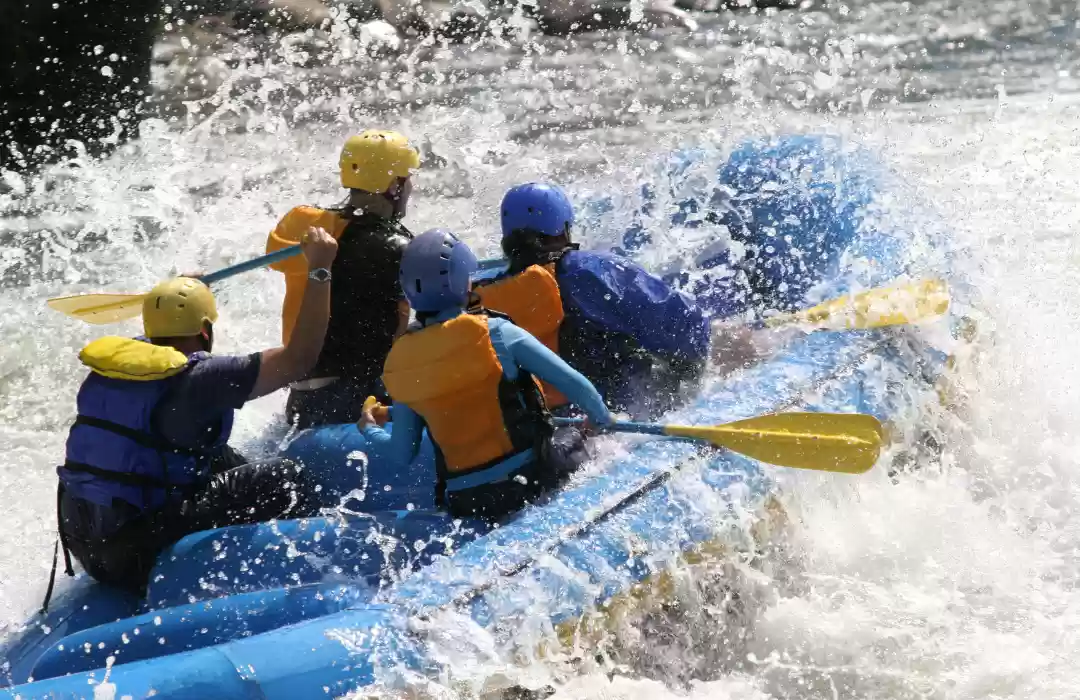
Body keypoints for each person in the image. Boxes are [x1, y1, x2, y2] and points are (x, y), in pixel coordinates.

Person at [53, 227, 339, 599]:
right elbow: (299, 358)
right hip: (135, 556)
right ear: (205, 331)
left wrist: (181, 293)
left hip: (88, 543)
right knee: (285, 476)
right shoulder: (201, 379)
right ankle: (302, 573)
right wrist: (320, 269)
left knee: (220, 456)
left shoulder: (117, 364)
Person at [356, 229, 613, 522]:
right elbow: (576, 386)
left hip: (467, 500)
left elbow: (402, 453)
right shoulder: (497, 333)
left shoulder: (400, 361)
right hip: (530, 478)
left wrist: (369, 428)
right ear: (460, 281)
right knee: (577, 435)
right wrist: (601, 420)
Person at [472, 182, 713, 419]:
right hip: (617, 412)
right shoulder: (586, 271)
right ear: (563, 229)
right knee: (719, 345)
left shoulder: (484, 295)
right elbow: (685, 327)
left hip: (545, 422)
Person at [265, 129, 420, 429]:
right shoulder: (397, 249)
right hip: (355, 401)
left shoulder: (308, 227)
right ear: (394, 186)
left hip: (300, 400)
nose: (411, 187)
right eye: (408, 178)